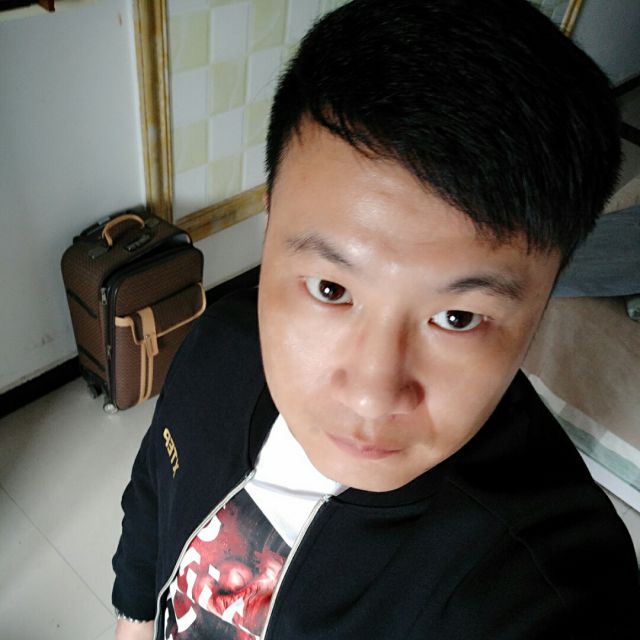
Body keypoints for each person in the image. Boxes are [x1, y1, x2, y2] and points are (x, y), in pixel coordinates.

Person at [112, 1, 639, 638]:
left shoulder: (543, 588)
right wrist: (135, 620)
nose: (370, 394)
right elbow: (155, 487)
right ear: (270, 223)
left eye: (456, 316)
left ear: (545, 298)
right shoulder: (221, 344)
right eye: (331, 288)